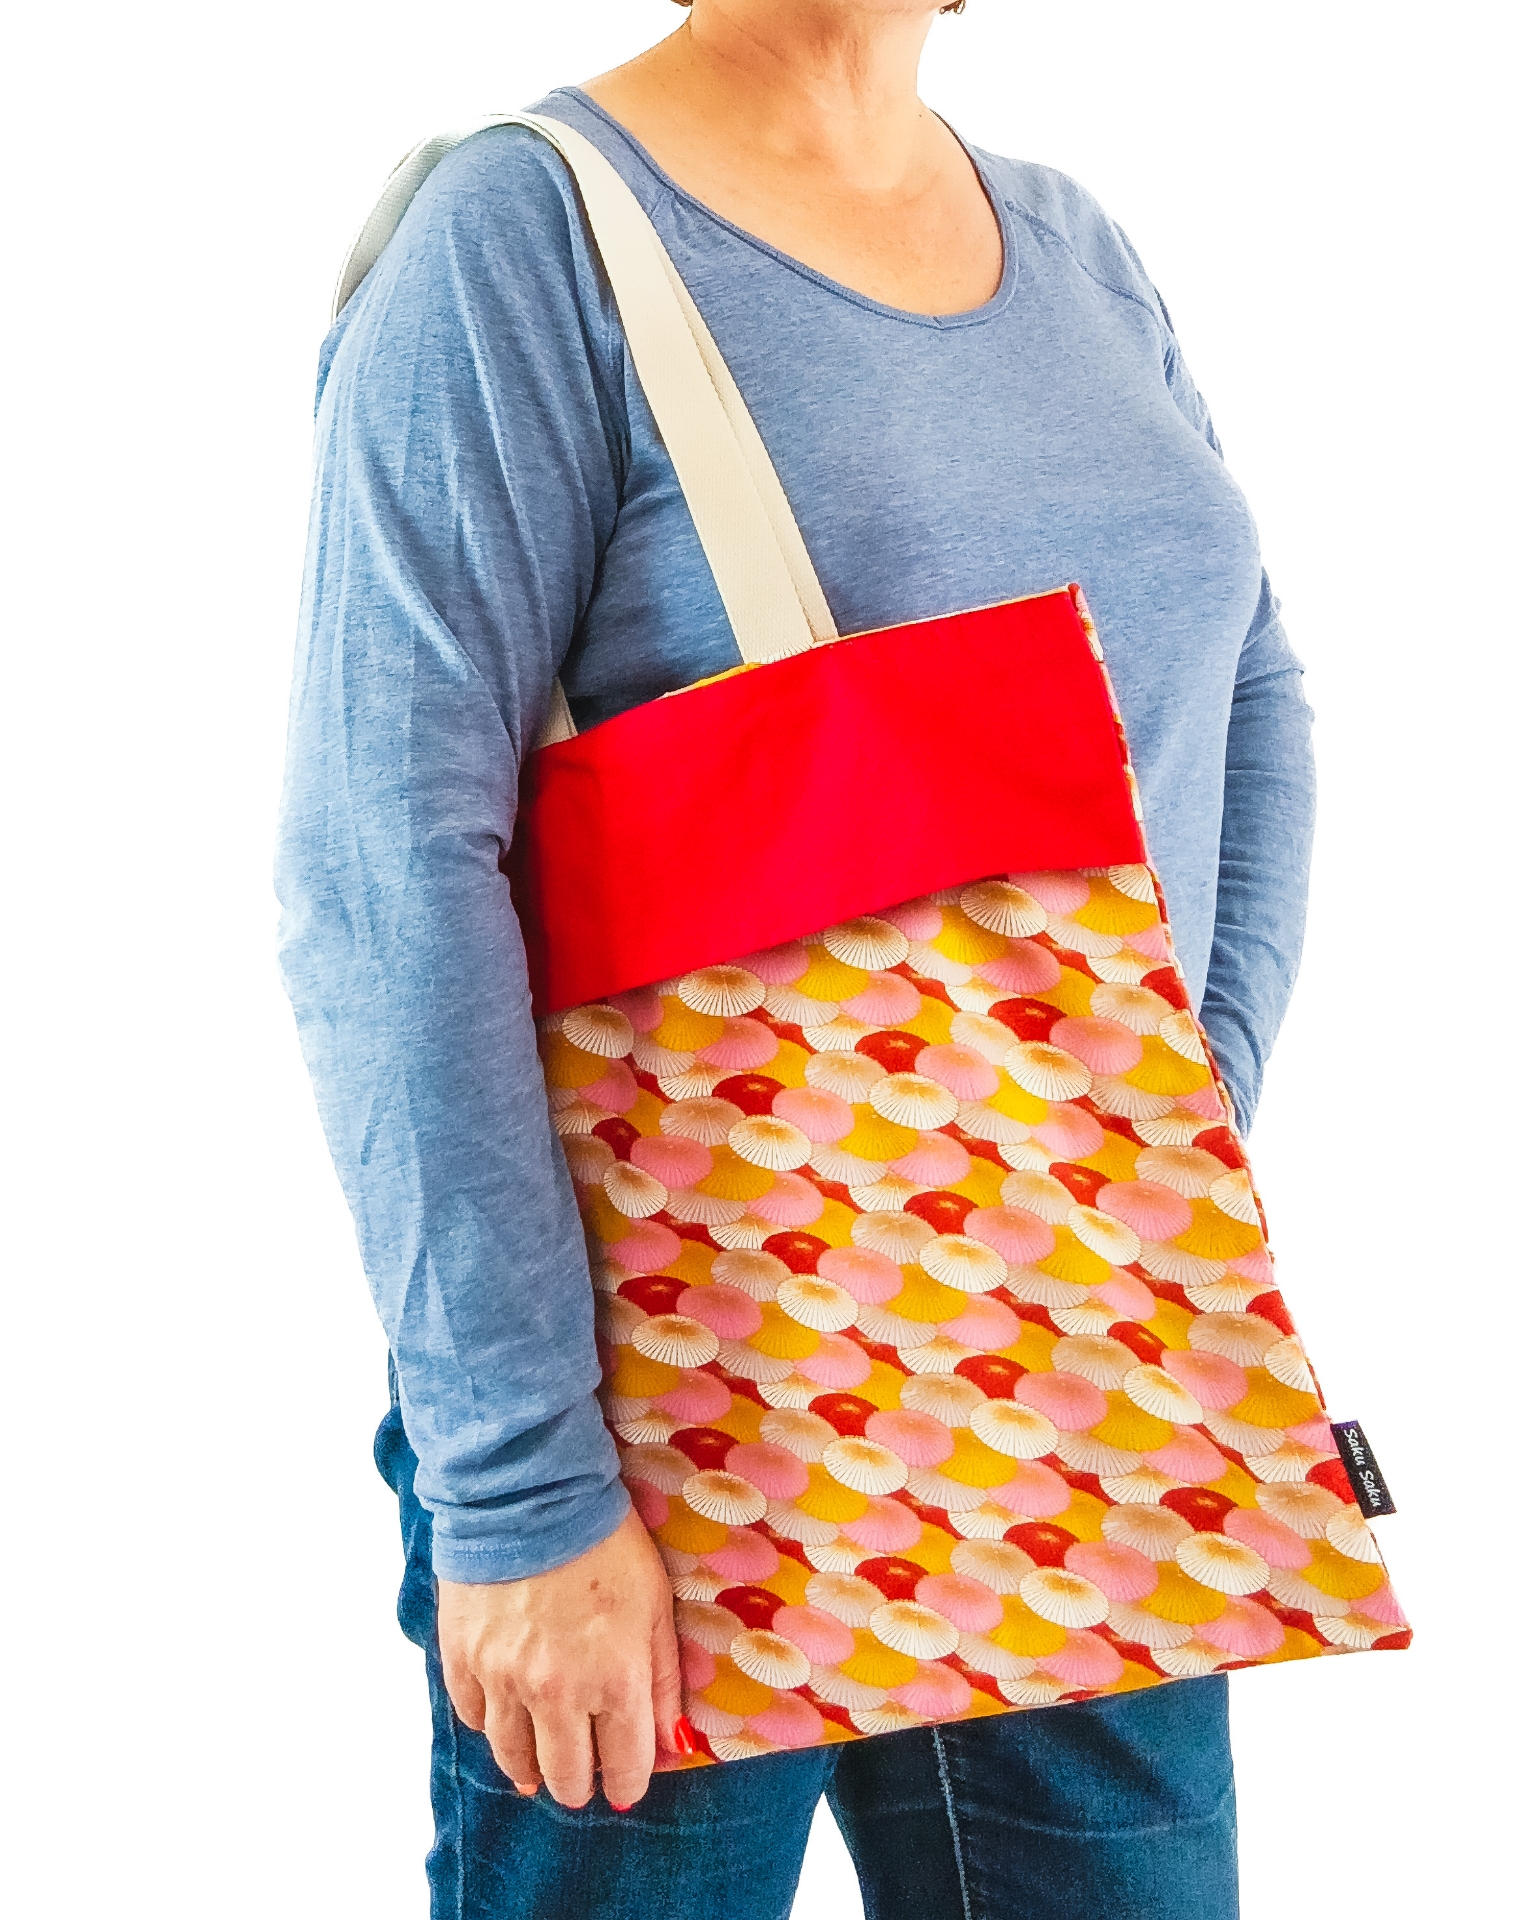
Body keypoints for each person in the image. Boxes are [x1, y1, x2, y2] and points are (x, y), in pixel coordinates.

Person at [277, 3, 1314, 1914]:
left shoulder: (1074, 245)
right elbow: (382, 872)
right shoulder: (526, 234)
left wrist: (1168, 1139)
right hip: (674, 1410)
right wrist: (519, 1485)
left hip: (1081, 1365)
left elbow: (1248, 689)